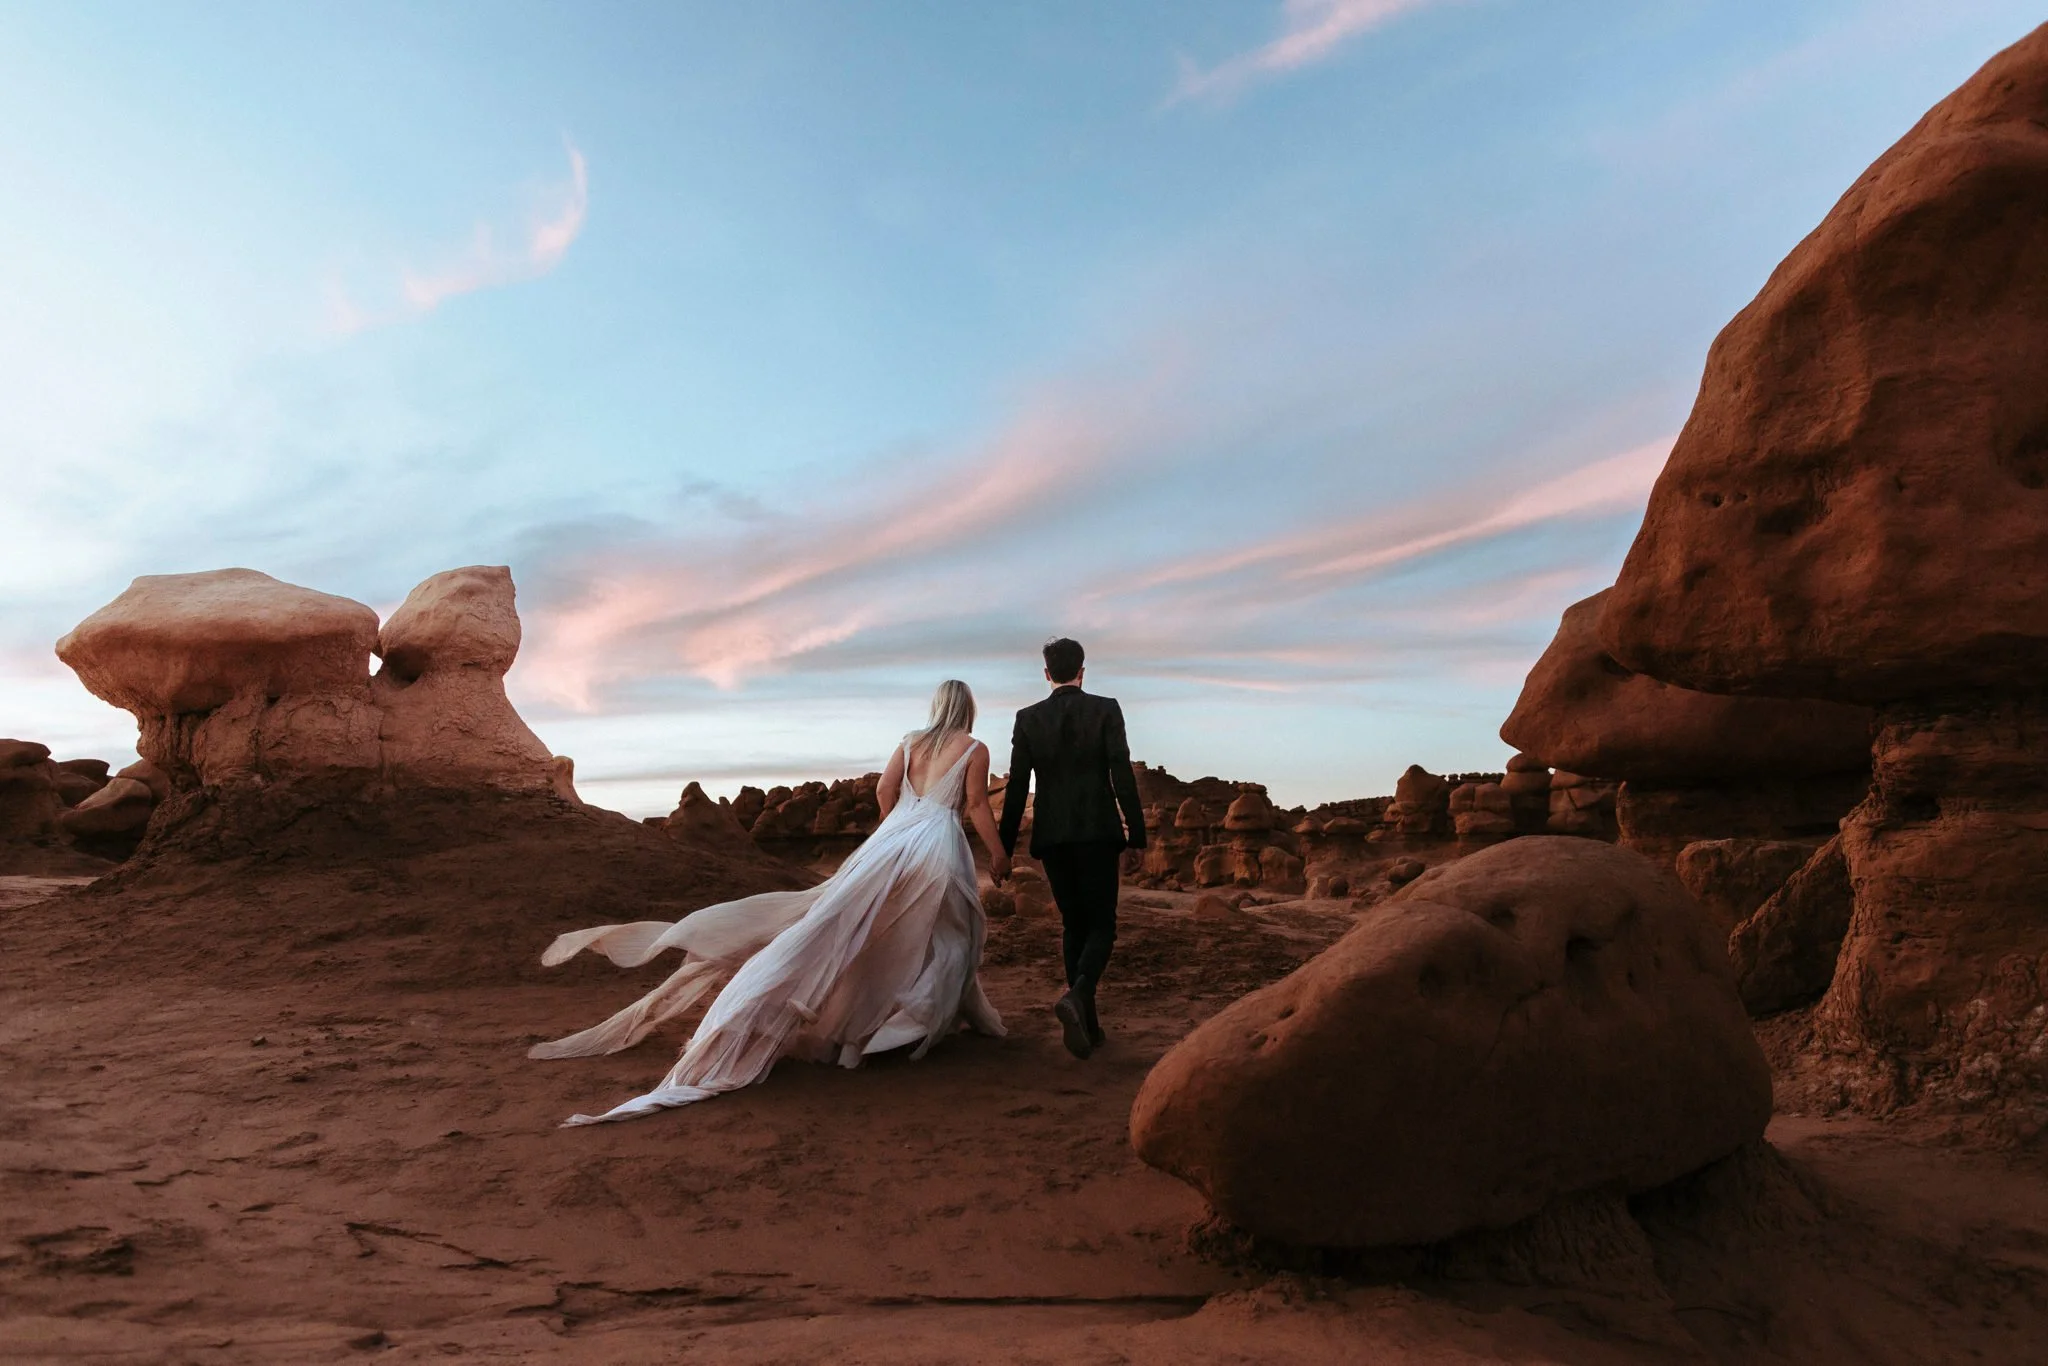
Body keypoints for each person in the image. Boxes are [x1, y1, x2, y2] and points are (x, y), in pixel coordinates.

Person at [529, 679, 1010, 1125]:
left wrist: (898, 822)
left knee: (853, 927)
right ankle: (911, 1024)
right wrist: (998, 853)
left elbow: (886, 792)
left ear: (935, 707)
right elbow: (974, 804)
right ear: (967, 711)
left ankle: (888, 1022)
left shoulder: (910, 743)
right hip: (937, 843)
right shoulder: (973, 748)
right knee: (946, 932)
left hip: (894, 837)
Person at [998, 638, 1146, 1060]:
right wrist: (1136, 835)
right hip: (1098, 832)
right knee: (1102, 926)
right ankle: (1079, 994)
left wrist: (1005, 848)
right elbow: (1122, 775)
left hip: (1053, 835)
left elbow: (1016, 789)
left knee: (1073, 926)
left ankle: (1090, 1027)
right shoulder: (1106, 709)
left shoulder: (1028, 718)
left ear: (1047, 674)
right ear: (1083, 669)